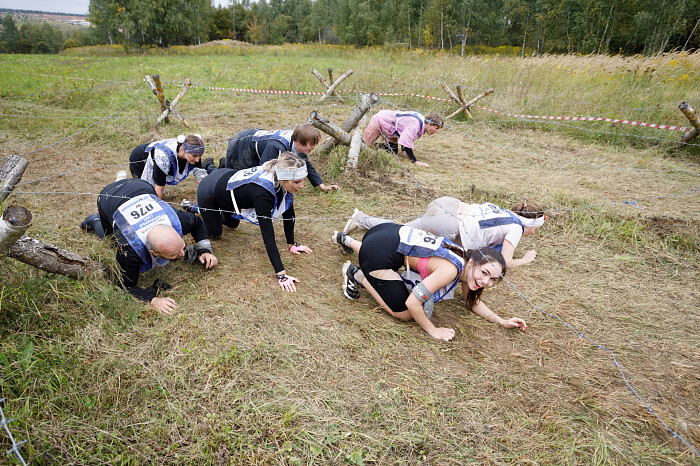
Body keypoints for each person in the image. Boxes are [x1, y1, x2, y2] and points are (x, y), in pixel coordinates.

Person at [331, 224, 526, 341]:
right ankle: (356, 274)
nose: (485, 282)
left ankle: (348, 241)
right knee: (405, 314)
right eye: (484, 273)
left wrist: (501, 321)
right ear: (474, 262)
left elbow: (472, 302)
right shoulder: (451, 270)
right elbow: (412, 303)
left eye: (492, 279)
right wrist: (433, 330)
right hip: (378, 251)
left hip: (386, 232)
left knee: (387, 254)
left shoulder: (466, 263)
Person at [80, 178, 218, 315]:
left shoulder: (178, 220)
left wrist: (203, 250)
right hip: (108, 197)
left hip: (138, 186)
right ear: (154, 252)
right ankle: (94, 221)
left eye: (181, 247)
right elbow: (125, 285)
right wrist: (151, 299)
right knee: (109, 240)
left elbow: (197, 223)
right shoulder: (129, 250)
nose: (183, 254)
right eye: (174, 254)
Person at [194, 152, 312, 292]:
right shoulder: (263, 193)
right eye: (297, 182)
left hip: (227, 180)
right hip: (209, 191)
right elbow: (268, 236)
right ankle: (196, 207)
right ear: (284, 178)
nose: (302, 186)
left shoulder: (280, 179)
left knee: (233, 224)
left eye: (303, 180)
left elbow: (288, 210)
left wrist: (291, 244)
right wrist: (281, 274)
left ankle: (211, 172)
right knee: (215, 234)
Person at [340, 198, 546, 269]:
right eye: (536, 229)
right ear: (530, 223)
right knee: (400, 234)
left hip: (448, 205)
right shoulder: (516, 227)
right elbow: (505, 262)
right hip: (451, 224)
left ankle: (360, 219)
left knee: (400, 230)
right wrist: (525, 260)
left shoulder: (504, 212)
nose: (534, 234)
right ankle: (360, 222)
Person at [214, 123, 339, 192]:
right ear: (300, 142)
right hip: (243, 143)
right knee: (233, 177)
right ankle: (211, 169)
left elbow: (305, 164)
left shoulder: (297, 146)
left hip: (256, 146)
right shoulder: (276, 147)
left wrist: (321, 186)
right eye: (311, 144)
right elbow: (264, 171)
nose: (313, 148)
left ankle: (223, 164)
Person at [129, 134, 207, 199]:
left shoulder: (195, 152)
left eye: (200, 156)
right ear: (184, 150)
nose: (197, 160)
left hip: (161, 158)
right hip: (140, 159)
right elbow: (159, 186)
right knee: (144, 191)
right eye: (194, 156)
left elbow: (200, 173)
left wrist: (206, 193)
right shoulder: (163, 157)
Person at [363, 110, 443, 167]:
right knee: (365, 145)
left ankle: (375, 146)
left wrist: (404, 151)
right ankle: (354, 143)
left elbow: (406, 134)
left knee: (393, 150)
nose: (437, 132)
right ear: (429, 124)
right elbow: (406, 141)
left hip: (392, 127)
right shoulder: (415, 124)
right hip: (380, 119)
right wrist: (415, 161)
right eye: (436, 128)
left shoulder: (421, 122)